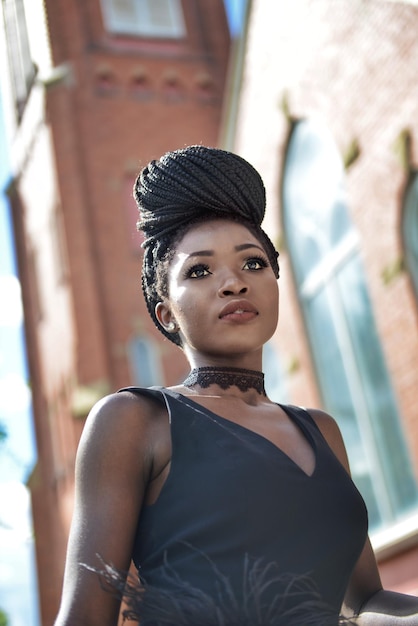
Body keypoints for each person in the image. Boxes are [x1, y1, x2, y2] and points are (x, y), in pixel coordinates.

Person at [54, 145, 418, 626]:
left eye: (253, 264)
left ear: (274, 283)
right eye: (200, 271)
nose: (234, 283)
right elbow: (84, 618)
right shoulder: (134, 421)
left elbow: (363, 602)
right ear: (166, 313)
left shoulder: (322, 431)